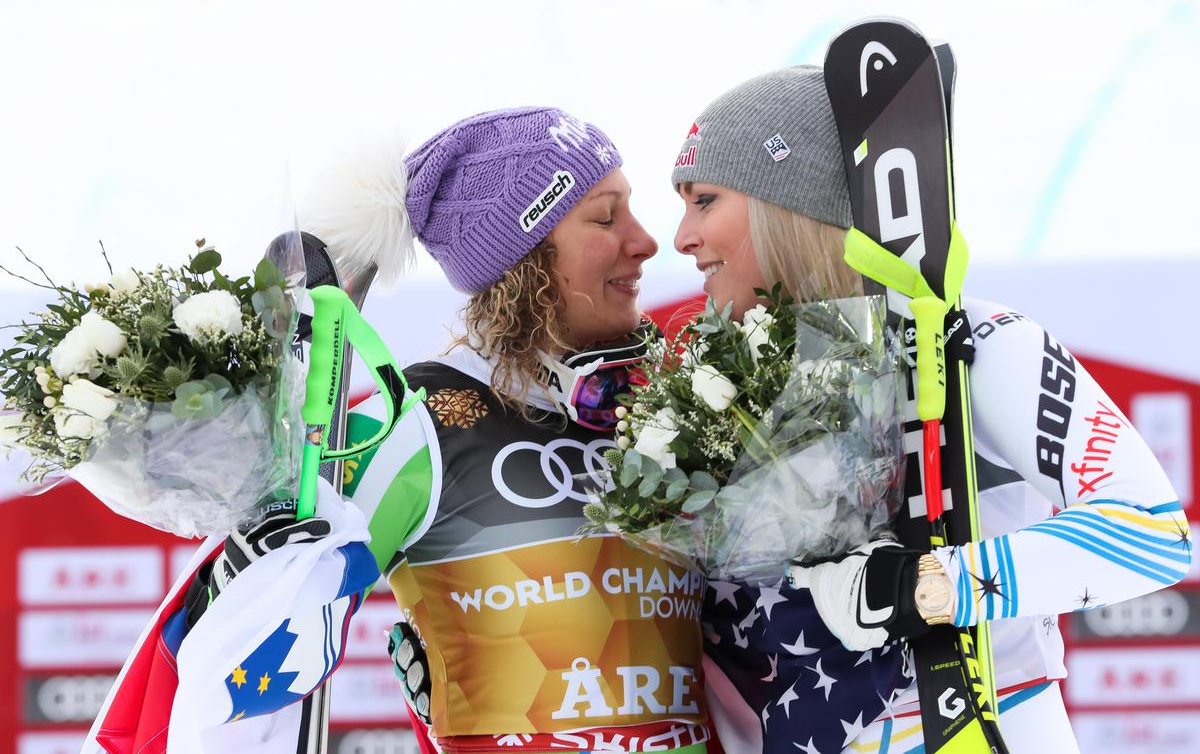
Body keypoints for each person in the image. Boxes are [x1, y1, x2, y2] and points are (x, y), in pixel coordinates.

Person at [669, 66, 1190, 753]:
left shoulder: (975, 344)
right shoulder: (711, 392)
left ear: (790, 203)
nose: (682, 236)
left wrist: (927, 587)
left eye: (706, 200)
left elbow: (1148, 533)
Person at [339, 107, 711, 754]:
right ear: (524, 259)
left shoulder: (665, 407)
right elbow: (262, 614)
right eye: (605, 216)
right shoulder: (415, 417)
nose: (646, 240)